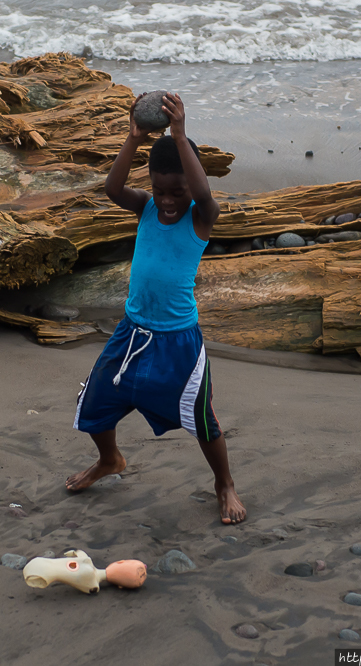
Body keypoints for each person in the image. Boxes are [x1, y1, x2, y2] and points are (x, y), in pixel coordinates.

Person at [66, 91, 246, 525]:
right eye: (160, 190)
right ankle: (110, 459)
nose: (167, 200)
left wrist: (180, 135)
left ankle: (225, 484)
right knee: (94, 404)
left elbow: (202, 193)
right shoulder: (145, 208)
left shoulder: (200, 217)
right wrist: (133, 138)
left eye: (176, 191)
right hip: (131, 333)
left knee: (202, 421)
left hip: (178, 342)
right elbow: (112, 188)